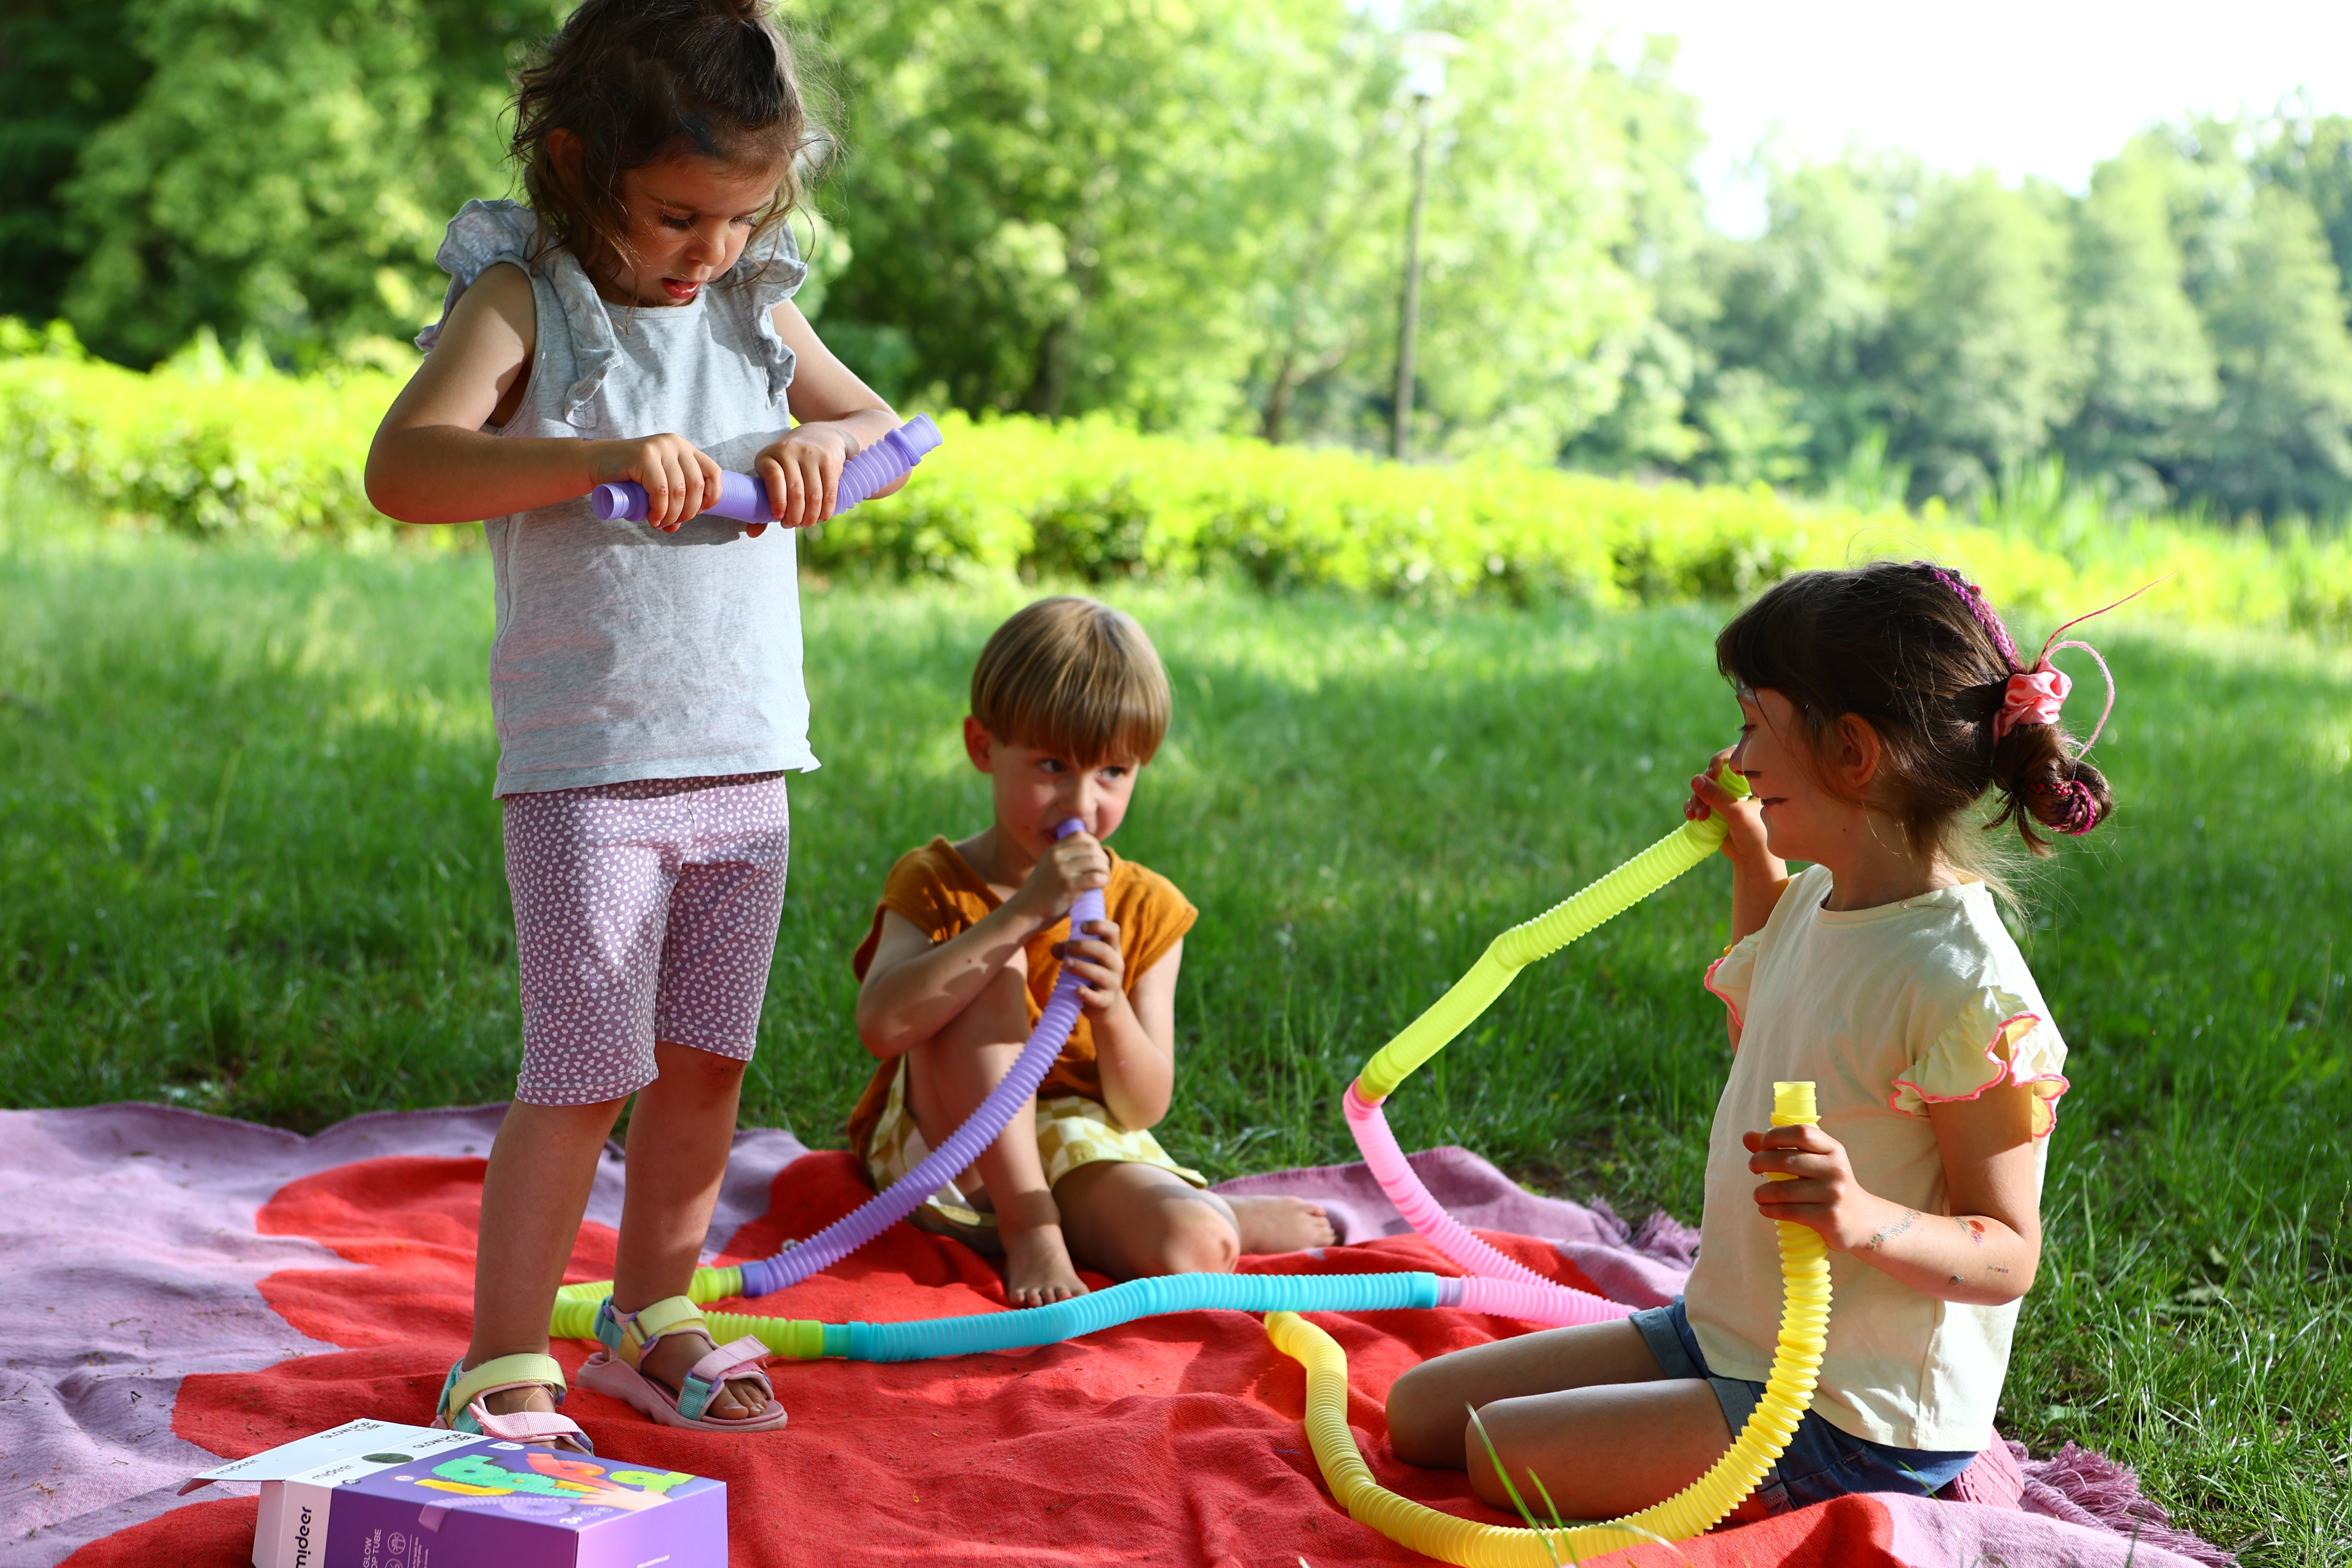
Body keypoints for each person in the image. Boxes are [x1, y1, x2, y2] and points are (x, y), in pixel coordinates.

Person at [364, 0, 904, 1446]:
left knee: (708, 1057)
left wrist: (818, 444)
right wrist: (590, 453)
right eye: (678, 216)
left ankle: (651, 1309)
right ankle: (498, 1355)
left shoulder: (751, 309)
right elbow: (406, 466)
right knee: (587, 1062)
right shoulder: (527, 304)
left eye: (740, 219)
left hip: (746, 759)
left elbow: (892, 434)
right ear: (574, 158)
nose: (708, 251)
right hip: (593, 765)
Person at [1387, 561, 2117, 1518]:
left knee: (1499, 1457)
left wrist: (1861, 1218)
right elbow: (1777, 1013)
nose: (1735, 757)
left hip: (1847, 1411)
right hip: (1727, 1333)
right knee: (1420, 1413)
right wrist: (1750, 852)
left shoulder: (1965, 988)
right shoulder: (1821, 895)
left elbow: (2007, 1252)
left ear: (1853, 754)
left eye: (1753, 726)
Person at [848, 597, 1336, 1307]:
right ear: (984, 748)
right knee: (994, 969)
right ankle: (1030, 1228)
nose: (1083, 800)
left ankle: (1226, 1215)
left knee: (1194, 1248)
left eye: (1113, 772)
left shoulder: (1144, 907)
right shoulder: (940, 883)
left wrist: (1108, 1010)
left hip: (1076, 1143)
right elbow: (881, 1027)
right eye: (1052, 765)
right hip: (951, 1153)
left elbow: (1142, 1108)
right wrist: (1016, 917)